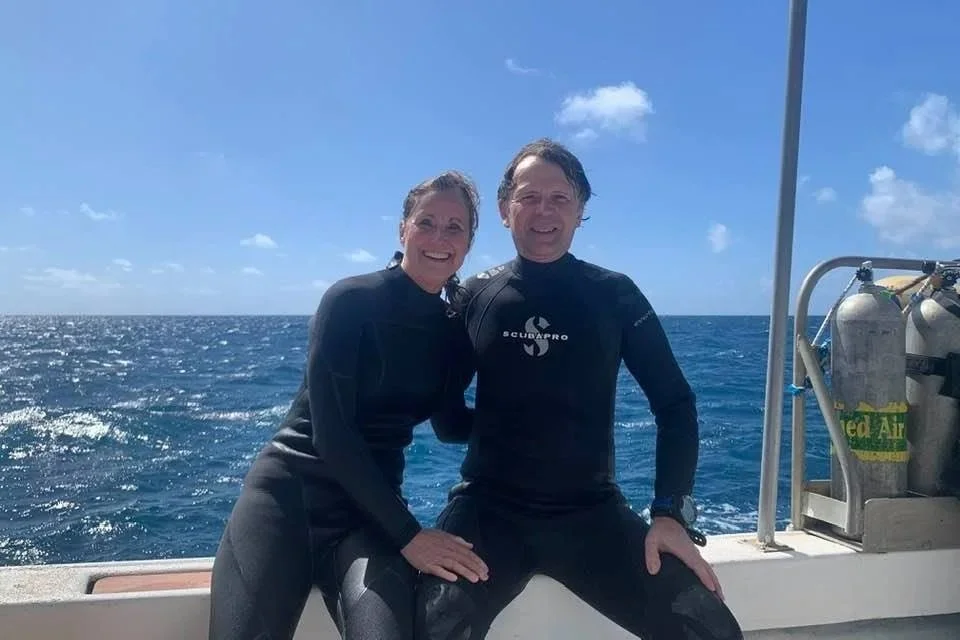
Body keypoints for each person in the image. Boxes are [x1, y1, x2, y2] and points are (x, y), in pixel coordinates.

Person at [416, 139, 744, 640]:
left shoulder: (615, 295)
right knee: (431, 630)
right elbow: (445, 416)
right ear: (505, 209)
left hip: (592, 516)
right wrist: (508, 429)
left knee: (710, 630)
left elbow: (675, 404)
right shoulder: (474, 296)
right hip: (487, 514)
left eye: (559, 198)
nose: (543, 211)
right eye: (528, 197)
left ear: (580, 209)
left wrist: (669, 514)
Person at [208, 170, 491, 640]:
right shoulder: (351, 301)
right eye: (426, 222)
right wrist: (410, 535)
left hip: (369, 516)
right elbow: (332, 434)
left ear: (468, 243)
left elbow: (450, 423)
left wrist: (531, 424)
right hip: (288, 498)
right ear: (403, 230)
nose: (439, 238)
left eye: (454, 227)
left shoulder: (452, 333)